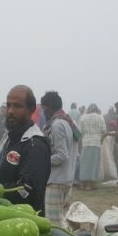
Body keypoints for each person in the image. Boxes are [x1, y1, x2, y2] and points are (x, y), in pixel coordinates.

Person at [0, 85, 51, 213]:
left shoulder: (35, 144)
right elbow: (2, 171)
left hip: (22, 221)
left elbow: (27, 191)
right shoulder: (9, 137)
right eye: (9, 105)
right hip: (0, 215)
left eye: (17, 106)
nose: (10, 111)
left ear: (31, 109)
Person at [41, 91, 80, 226]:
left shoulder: (57, 125)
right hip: (66, 178)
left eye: (44, 108)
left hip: (56, 180)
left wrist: (42, 161)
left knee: (53, 222)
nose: (43, 112)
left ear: (50, 106)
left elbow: (62, 155)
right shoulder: (69, 121)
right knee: (58, 217)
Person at [78, 104, 106, 191]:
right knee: (93, 164)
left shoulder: (83, 117)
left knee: (84, 163)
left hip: (86, 141)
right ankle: (90, 184)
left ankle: (82, 184)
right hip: (96, 142)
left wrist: (80, 143)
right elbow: (104, 132)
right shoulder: (100, 117)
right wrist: (100, 141)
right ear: (96, 109)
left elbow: (80, 132)